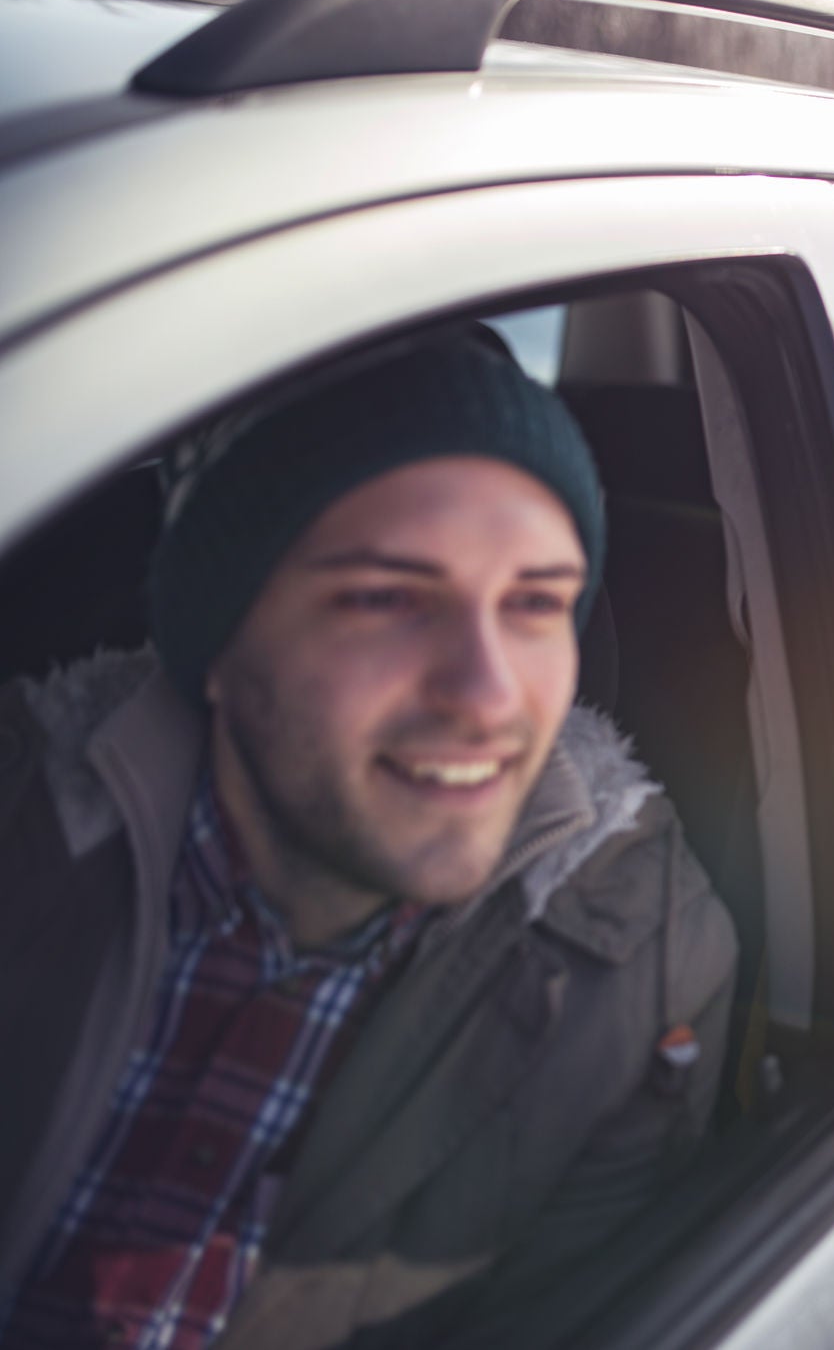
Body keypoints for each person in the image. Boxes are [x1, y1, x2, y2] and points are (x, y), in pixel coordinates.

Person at [0, 330, 737, 1350]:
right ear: (216, 639)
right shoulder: (28, 811)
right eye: (385, 601)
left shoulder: (637, 963)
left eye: (535, 604)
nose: (486, 698)